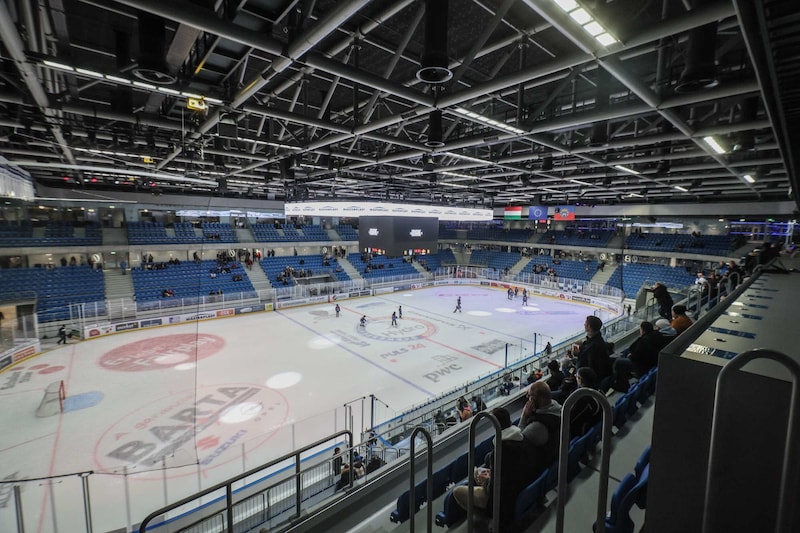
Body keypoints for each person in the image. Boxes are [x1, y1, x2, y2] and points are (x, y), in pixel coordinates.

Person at [452, 407, 538, 531]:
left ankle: (487, 520)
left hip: (505, 501)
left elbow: (494, 491)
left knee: (457, 492)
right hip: (521, 489)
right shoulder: (524, 439)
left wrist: (485, 481)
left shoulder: (501, 451)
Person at [519, 382, 562, 475]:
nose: (528, 398)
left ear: (536, 398)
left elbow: (518, 442)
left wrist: (524, 416)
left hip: (538, 464)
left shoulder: (537, 427)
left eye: (529, 395)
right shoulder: (556, 406)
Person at [574, 315, 612, 382]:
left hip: (586, 380)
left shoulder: (594, 346)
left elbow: (590, 366)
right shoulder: (596, 340)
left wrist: (579, 353)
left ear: (589, 326)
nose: (584, 324)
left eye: (585, 323)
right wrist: (583, 346)